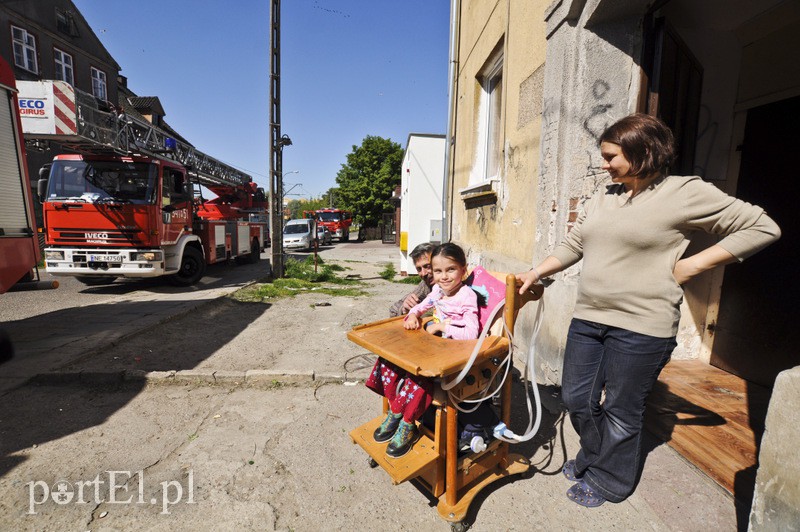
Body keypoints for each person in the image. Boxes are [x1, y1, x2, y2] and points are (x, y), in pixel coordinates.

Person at [516, 113, 780, 508]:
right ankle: (593, 456)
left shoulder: (685, 192)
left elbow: (763, 227)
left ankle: (611, 481)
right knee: (576, 399)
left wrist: (693, 264)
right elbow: (575, 244)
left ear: (643, 152)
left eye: (611, 157)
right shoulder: (605, 195)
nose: (603, 165)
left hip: (642, 327)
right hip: (589, 319)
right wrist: (535, 271)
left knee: (623, 409)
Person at [366, 243, 479, 458]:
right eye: (438, 271)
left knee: (418, 377)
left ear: (464, 270)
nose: (443, 276)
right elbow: (422, 305)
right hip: (433, 348)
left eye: (450, 270)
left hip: (451, 357)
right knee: (387, 361)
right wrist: (412, 315)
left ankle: (408, 423)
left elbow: (473, 332)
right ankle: (396, 409)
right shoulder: (437, 290)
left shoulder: (466, 296)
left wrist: (441, 326)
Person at [389, 242, 435, 317]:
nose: (423, 273)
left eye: (428, 266)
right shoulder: (425, 285)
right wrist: (404, 308)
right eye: (419, 269)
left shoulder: (456, 287)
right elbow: (393, 310)